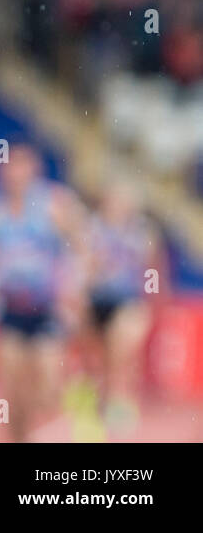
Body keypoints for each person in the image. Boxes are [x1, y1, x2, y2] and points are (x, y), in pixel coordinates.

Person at [0, 138, 84, 443]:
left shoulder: (55, 204)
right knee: (12, 393)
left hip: (47, 309)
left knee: (48, 386)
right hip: (8, 310)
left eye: (22, 165)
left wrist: (74, 293)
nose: (16, 173)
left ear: (34, 169)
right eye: (10, 165)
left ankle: (61, 411)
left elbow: (81, 249)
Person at [81, 178, 159, 436]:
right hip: (98, 301)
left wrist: (156, 300)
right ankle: (105, 400)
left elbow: (156, 269)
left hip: (129, 301)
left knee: (120, 350)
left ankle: (120, 402)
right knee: (103, 360)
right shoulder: (91, 228)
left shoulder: (142, 232)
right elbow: (81, 266)